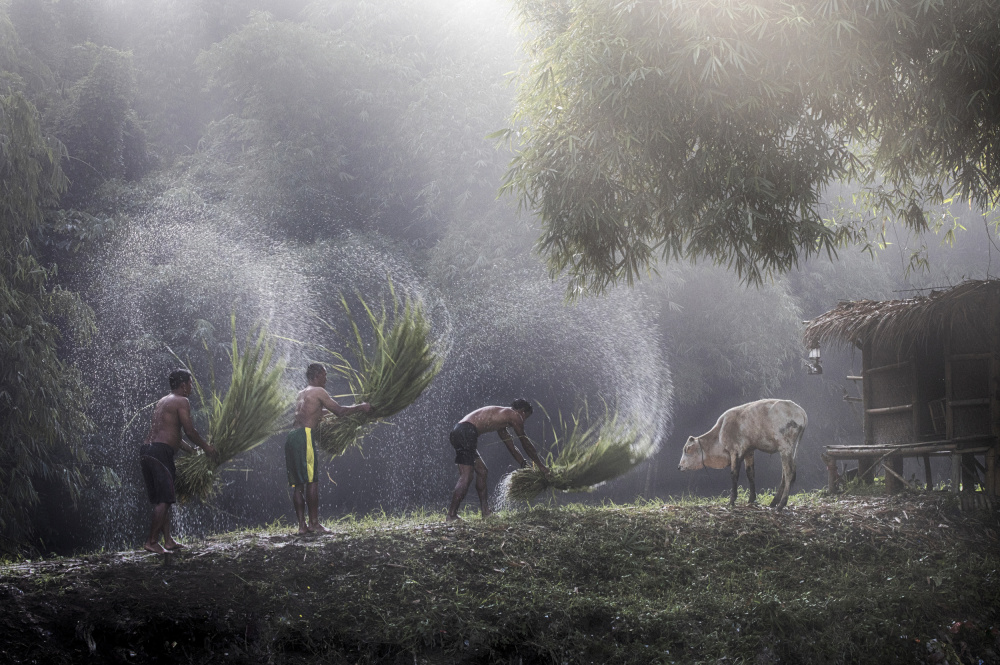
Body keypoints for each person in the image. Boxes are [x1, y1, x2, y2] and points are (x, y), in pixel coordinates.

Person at [286, 363, 371, 536]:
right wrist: (361, 407)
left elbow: (316, 413)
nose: (326, 378)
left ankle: (302, 526)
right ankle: (314, 524)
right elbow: (339, 411)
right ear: (317, 375)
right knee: (312, 481)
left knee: (298, 485)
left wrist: (342, 414)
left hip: (292, 438)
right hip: (305, 438)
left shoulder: (302, 394)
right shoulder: (319, 391)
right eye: (325, 374)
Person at [140, 368, 218, 554]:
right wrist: (207, 448)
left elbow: (173, 434)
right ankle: (151, 541)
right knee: (165, 498)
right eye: (191, 383)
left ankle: (167, 540)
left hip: (147, 451)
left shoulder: (163, 401)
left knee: (161, 498)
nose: (192, 387)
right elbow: (189, 431)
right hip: (160, 453)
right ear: (183, 385)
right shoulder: (182, 401)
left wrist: (192, 451)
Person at [446, 398, 551, 522]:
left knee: (482, 471)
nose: (523, 421)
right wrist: (541, 466)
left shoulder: (502, 419)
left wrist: (523, 464)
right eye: (525, 418)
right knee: (466, 476)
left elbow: (511, 447)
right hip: (466, 432)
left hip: (459, 432)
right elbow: (525, 442)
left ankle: (486, 513)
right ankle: (451, 515)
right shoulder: (514, 415)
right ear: (522, 412)